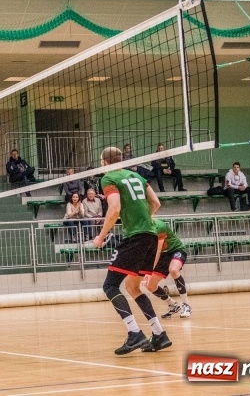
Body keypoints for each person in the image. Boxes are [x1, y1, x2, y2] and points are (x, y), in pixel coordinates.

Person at [93, 146, 170, 355]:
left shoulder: (108, 179)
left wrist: (101, 237)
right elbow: (155, 202)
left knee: (110, 286)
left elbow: (115, 208)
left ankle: (134, 333)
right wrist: (142, 219)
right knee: (133, 287)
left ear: (104, 162)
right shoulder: (135, 175)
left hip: (135, 237)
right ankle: (159, 334)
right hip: (151, 235)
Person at [143, 218, 192, 319]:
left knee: (173, 270)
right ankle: (173, 305)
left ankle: (186, 305)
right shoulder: (141, 230)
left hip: (176, 250)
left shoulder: (159, 226)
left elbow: (157, 251)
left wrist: (149, 270)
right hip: (164, 255)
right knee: (150, 286)